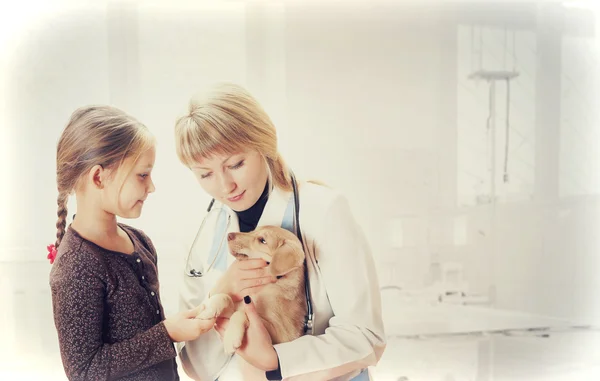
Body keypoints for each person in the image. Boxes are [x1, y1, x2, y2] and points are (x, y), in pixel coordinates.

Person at [174, 83, 386, 381]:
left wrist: (277, 361)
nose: (225, 186)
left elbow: (366, 335)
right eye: (205, 174)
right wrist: (222, 291)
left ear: (263, 144)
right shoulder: (200, 233)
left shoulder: (323, 210)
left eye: (235, 164)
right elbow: (199, 367)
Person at [49, 105, 215, 381]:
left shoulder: (140, 242)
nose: (151, 187)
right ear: (99, 177)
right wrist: (167, 333)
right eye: (142, 175)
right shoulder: (76, 267)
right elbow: (84, 371)